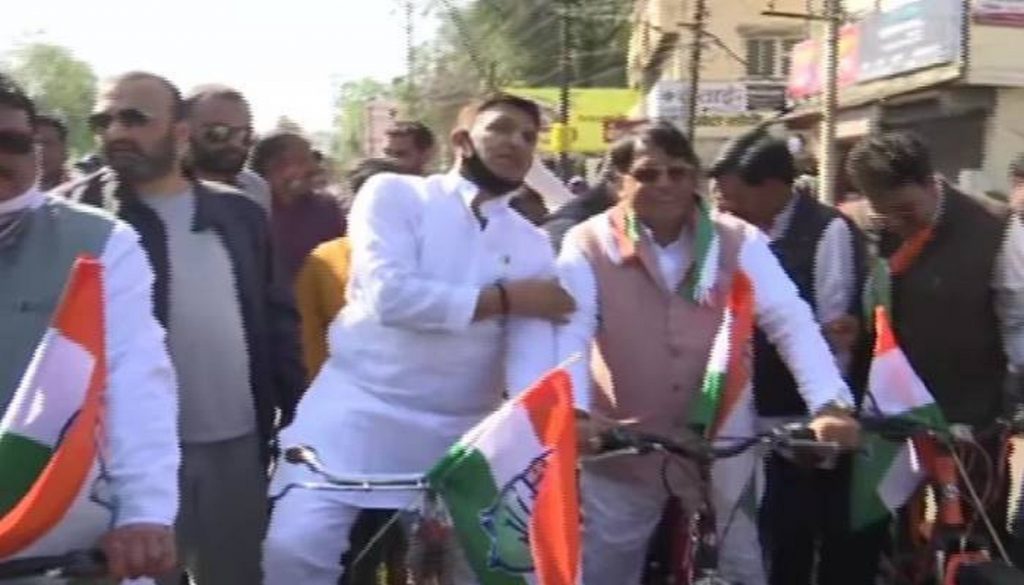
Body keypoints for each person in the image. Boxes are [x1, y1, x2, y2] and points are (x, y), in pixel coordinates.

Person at [262, 93, 577, 585]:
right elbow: (391, 297)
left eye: (528, 136)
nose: (516, 142)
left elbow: (529, 359)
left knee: (494, 569)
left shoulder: (531, 243)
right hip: (357, 415)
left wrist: (543, 425)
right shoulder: (395, 195)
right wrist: (507, 298)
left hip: (464, 433)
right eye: (501, 128)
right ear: (462, 140)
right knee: (294, 551)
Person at [556, 122, 861, 585]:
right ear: (619, 182)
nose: (665, 185)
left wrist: (830, 404)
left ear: (695, 178)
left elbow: (789, 320)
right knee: (607, 564)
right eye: (648, 174)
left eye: (678, 173)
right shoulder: (587, 242)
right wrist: (576, 415)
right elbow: (572, 330)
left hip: (723, 429)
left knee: (741, 560)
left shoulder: (737, 239)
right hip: (620, 436)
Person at [58, 71, 305, 585]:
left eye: (135, 119)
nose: (116, 131)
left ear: (180, 132)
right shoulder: (73, 221)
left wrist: (298, 420)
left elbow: (277, 323)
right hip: (120, 463)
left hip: (235, 447)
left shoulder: (240, 213)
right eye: (104, 120)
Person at [0, 74, 179, 583]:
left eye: (13, 141)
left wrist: (145, 513)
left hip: (59, 536)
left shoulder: (101, 242)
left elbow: (136, 380)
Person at [843, 131, 1024, 565]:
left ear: (930, 182)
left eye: (906, 210)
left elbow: (1018, 322)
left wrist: (1011, 398)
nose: (897, 223)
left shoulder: (995, 228)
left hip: (970, 416)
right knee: (883, 536)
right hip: (884, 414)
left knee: (972, 537)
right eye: (884, 213)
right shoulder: (862, 228)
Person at [710, 129, 872, 585]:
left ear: (773, 187)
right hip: (738, 409)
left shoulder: (827, 231)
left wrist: (825, 412)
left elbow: (833, 332)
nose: (726, 210)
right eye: (721, 199)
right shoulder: (725, 236)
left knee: (793, 530)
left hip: (799, 417)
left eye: (735, 199)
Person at [251, 131, 345, 285]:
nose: (314, 167)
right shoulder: (248, 210)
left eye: (312, 159)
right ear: (272, 166)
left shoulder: (327, 208)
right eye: (302, 160)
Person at [184, 84, 272, 214]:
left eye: (245, 134)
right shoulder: (158, 188)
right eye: (219, 132)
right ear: (183, 131)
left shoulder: (255, 187)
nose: (235, 144)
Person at [35, 114, 70, 190]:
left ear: (64, 150)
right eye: (32, 144)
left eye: (46, 143)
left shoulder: (83, 190)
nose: (39, 150)